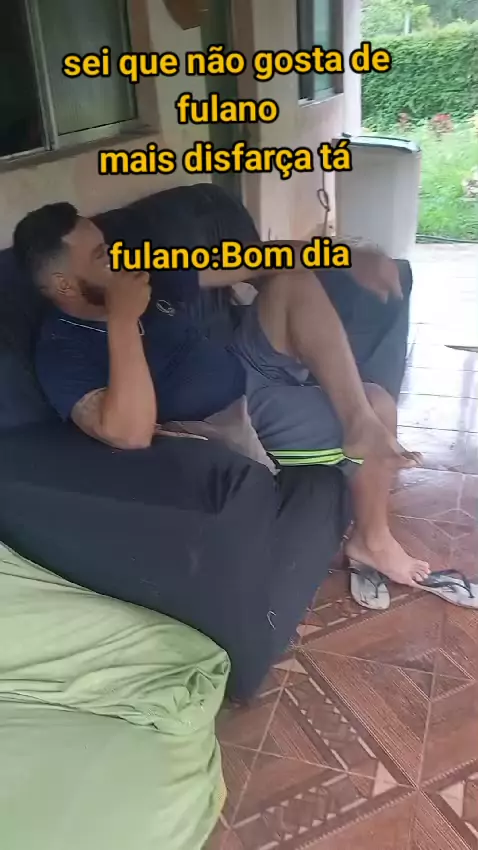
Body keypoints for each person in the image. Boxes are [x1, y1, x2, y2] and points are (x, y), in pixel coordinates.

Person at [12, 203, 434, 610]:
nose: (118, 256)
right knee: (380, 405)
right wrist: (122, 319)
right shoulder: (62, 350)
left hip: (240, 359)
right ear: (65, 285)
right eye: (102, 255)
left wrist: (346, 257)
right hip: (229, 413)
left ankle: (357, 422)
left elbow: (255, 260)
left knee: (292, 279)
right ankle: (372, 541)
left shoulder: (139, 270)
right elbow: (129, 433)